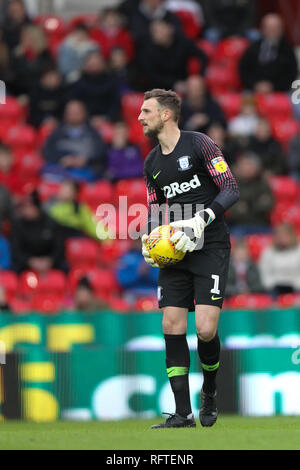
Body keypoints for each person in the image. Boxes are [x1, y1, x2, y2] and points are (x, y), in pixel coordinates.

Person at [139, 89, 239, 428]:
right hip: (176, 249)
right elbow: (155, 210)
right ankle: (182, 413)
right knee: (171, 325)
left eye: (147, 111)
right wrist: (150, 240)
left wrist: (201, 219)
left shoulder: (200, 144)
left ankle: (209, 389)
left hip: (209, 244)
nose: (140, 117)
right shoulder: (151, 163)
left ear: (166, 115)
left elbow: (230, 187)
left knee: (206, 330)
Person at [42, 100, 107, 182]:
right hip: (61, 170)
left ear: (84, 113)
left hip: (86, 170)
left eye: (77, 113)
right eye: (71, 113)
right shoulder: (57, 133)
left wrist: (85, 160)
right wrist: (62, 159)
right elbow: (47, 151)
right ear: (65, 114)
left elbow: (100, 152)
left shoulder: (93, 133)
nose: (74, 116)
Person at [136, 18, 207, 91]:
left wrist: (198, 76)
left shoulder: (182, 42)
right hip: (158, 89)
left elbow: (202, 57)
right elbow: (150, 75)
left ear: (170, 29)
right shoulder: (146, 49)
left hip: (184, 84)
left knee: (196, 84)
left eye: (160, 30)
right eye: (154, 31)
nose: (156, 34)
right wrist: (174, 84)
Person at [239, 13, 298, 93]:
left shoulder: (287, 50)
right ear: (263, 29)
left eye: (275, 28)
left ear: (281, 29)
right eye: (269, 28)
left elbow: (291, 74)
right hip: (253, 89)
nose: (272, 31)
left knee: (297, 102)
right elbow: (244, 70)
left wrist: (273, 86)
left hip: (281, 91)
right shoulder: (253, 48)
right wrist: (255, 85)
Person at [10, 190, 65, 273]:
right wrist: (30, 261)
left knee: (65, 269)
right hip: (26, 262)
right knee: (12, 272)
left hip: (49, 261)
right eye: (24, 207)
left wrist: (50, 260)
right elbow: (16, 250)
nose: (26, 210)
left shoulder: (51, 223)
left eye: (30, 207)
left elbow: (59, 247)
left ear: (37, 207)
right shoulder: (18, 225)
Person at [227, 152, 274, 236]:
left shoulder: (263, 184)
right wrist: (257, 203)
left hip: (262, 224)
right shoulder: (232, 184)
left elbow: (269, 205)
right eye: (243, 165)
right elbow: (232, 210)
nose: (246, 168)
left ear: (256, 168)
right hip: (239, 225)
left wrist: (247, 205)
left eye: (249, 165)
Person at [258, 223, 300, 298]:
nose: (283, 238)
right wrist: (270, 284)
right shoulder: (268, 252)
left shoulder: (298, 251)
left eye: (286, 235)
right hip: (274, 287)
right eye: (280, 236)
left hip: (296, 286)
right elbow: (264, 272)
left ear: (292, 235)